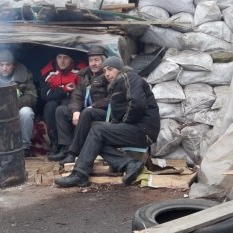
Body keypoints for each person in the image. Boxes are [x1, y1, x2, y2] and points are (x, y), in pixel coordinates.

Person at [55, 57, 160, 188]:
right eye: (104, 71)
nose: (107, 74)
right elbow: (120, 112)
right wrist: (117, 125)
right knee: (94, 132)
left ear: (119, 69)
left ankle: (80, 174)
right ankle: (128, 163)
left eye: (110, 69)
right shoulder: (117, 83)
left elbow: (137, 105)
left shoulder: (128, 77)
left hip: (143, 130)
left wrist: (123, 123)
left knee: (97, 131)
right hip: (135, 129)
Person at [49, 44, 111, 162]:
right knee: (61, 110)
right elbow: (77, 95)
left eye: (97, 60)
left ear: (104, 61)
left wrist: (92, 106)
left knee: (86, 113)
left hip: (103, 111)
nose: (93, 63)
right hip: (87, 109)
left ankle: (73, 152)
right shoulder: (84, 75)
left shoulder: (108, 75)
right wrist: (76, 110)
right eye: (91, 60)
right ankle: (66, 148)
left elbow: (112, 97)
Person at [0, 49, 38, 155]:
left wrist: (12, 104)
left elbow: (32, 97)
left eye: (8, 65)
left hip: (17, 109)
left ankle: (25, 147)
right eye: (1, 65)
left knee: (26, 112)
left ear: (13, 65)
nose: (5, 68)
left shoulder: (24, 74)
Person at [40, 52, 87, 157]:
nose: (62, 61)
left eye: (66, 57)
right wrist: (63, 89)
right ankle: (55, 142)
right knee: (50, 107)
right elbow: (45, 94)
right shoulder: (49, 71)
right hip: (54, 99)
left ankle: (66, 145)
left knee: (62, 108)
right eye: (59, 57)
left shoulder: (81, 70)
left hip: (73, 100)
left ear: (72, 59)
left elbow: (82, 92)